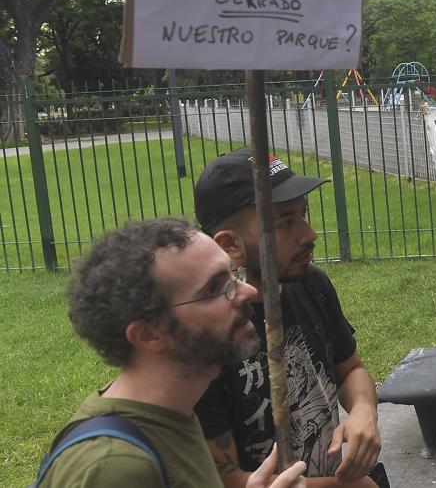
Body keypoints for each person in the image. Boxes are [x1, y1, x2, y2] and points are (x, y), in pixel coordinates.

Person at [40, 218, 306, 488]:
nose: (247, 291)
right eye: (215, 288)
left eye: (232, 276)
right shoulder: (115, 469)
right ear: (150, 334)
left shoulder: (173, 413)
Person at [192, 148, 385, 487]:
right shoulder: (206, 337)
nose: (308, 234)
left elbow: (350, 368)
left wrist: (363, 410)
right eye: (284, 222)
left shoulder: (312, 284)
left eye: (303, 214)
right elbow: (222, 478)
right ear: (230, 246)